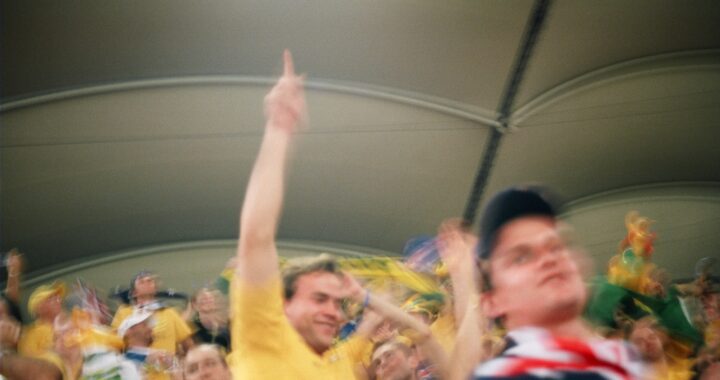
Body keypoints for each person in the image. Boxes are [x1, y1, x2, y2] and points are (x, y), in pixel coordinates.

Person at [228, 50, 446, 379]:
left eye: (335, 302)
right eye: (319, 299)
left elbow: (421, 332)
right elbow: (256, 237)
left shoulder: (339, 365)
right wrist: (279, 127)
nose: (333, 312)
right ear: (282, 306)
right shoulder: (265, 336)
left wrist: (364, 296)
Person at [470, 186, 646, 379]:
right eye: (520, 257)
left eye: (555, 247)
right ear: (492, 302)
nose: (548, 259)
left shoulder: (626, 362)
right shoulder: (503, 376)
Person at [17, 282, 66, 357]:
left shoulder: (68, 321)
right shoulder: (30, 335)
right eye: (52, 298)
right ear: (39, 308)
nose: (59, 300)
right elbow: (33, 362)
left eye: (58, 297)